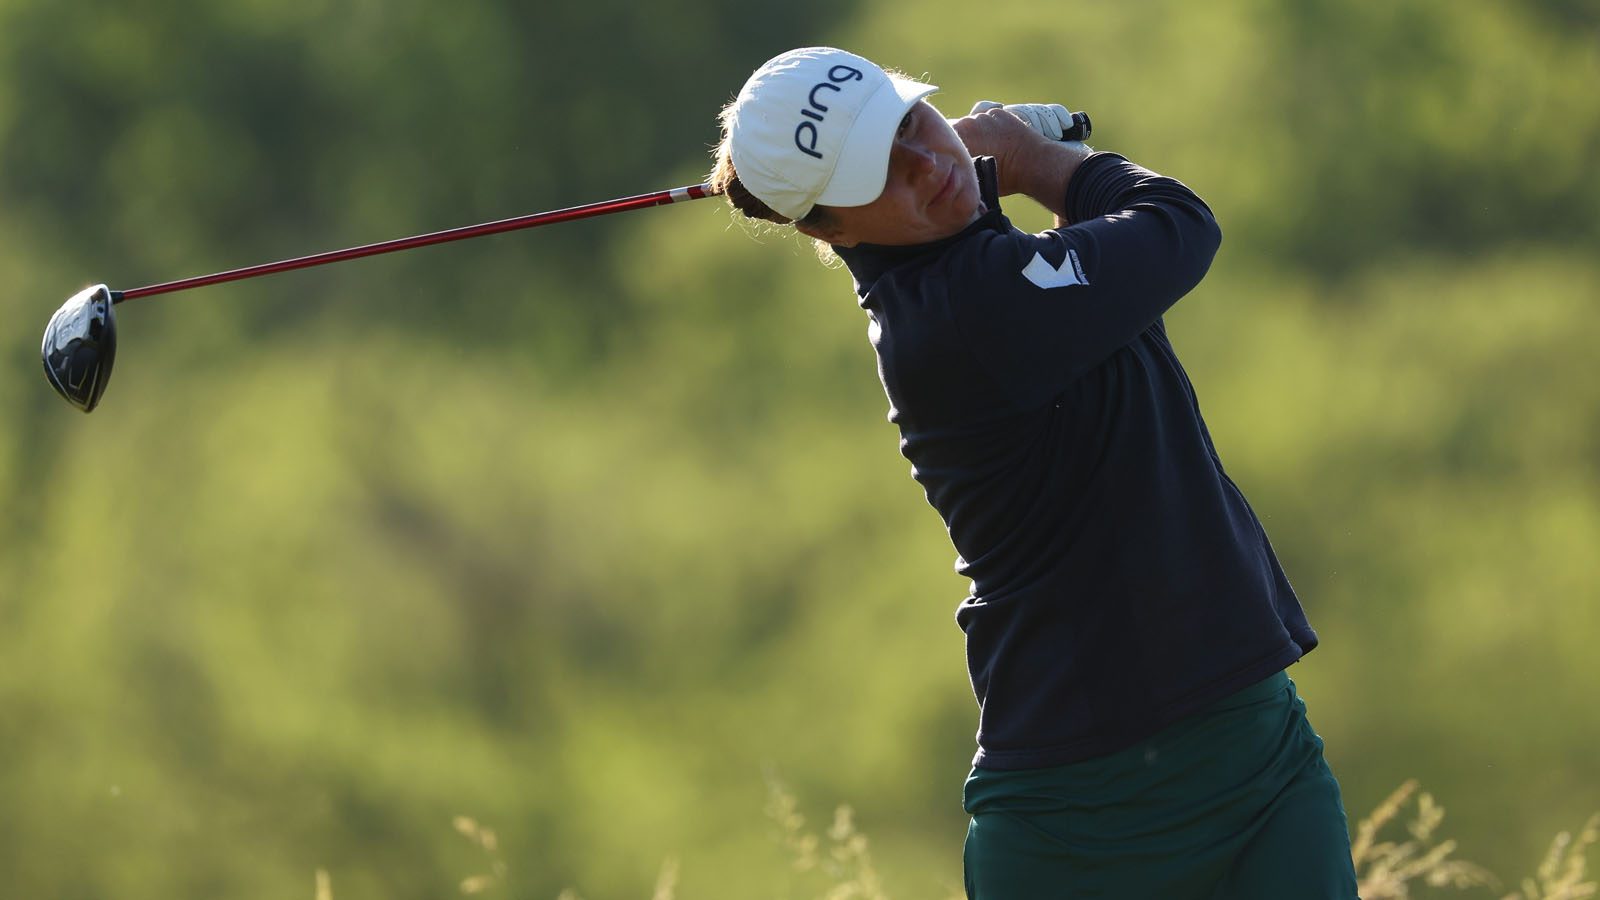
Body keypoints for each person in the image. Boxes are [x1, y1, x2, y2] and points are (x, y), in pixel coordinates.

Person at [710, 46, 1360, 899]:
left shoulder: (974, 271)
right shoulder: (959, 315)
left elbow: (1079, 262)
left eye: (911, 121)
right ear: (830, 229)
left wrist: (991, 175)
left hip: (1257, 749)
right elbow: (1175, 223)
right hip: (1083, 827)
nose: (926, 165)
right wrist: (1034, 160)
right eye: (878, 170)